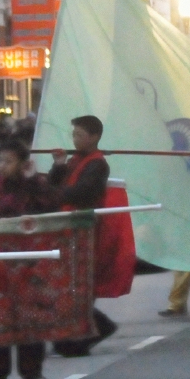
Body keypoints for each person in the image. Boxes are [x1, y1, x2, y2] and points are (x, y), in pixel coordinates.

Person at [0, 139, 59, 379]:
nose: (2, 166)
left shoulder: (35, 187)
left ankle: (32, 371)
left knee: (30, 317)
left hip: (28, 262)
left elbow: (52, 208)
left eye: (8, 161)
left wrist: (34, 182)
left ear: (22, 164)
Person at [49, 114, 129, 356]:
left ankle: (94, 329)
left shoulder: (97, 164)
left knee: (78, 283)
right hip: (67, 227)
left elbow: (82, 193)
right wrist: (59, 165)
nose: (75, 140)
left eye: (80, 135)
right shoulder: (74, 160)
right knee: (68, 283)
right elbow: (55, 184)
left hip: (83, 229)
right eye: (73, 135)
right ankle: (74, 336)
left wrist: (57, 194)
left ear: (94, 137)